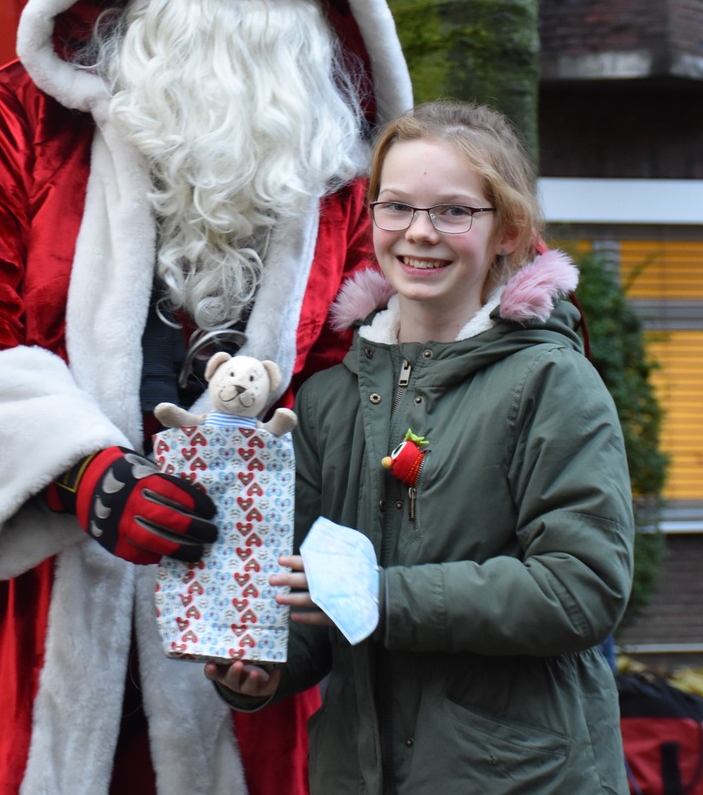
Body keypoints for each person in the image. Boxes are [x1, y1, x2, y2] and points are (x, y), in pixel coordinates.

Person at [0, 0, 412, 795]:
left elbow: (349, 381)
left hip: (235, 605)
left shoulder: (335, 183)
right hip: (32, 598)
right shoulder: (5, 123)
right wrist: (86, 477)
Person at [208, 100, 635, 794]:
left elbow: (580, 589)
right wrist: (265, 663)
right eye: (397, 206)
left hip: (525, 777)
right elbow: (311, 595)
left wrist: (380, 595)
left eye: (454, 212)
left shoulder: (553, 382)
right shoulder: (326, 398)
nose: (420, 233)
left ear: (510, 230)